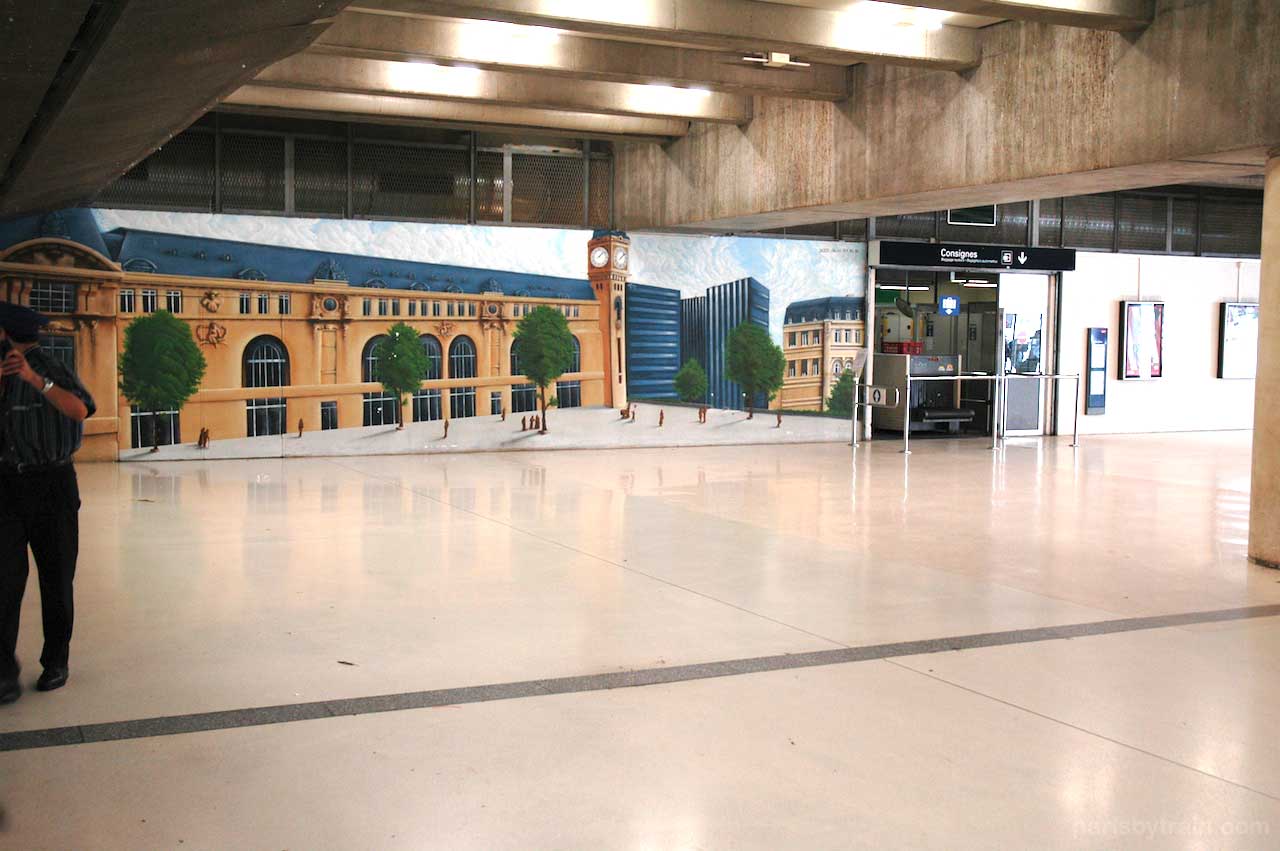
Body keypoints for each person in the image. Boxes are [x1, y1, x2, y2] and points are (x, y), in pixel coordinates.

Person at [0, 302, 95, 705]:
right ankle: (4, 674)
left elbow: (81, 409)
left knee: (55, 579)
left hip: (51, 484)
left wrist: (34, 380)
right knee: (4, 581)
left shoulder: (49, 366)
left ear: (6, 334)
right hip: (6, 485)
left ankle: (56, 661)